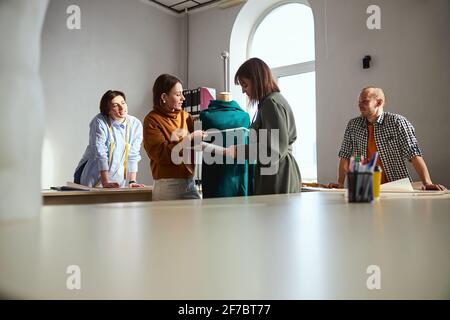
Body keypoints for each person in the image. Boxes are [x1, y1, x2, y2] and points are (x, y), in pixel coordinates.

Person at [328, 86, 446, 191]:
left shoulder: (397, 122)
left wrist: (428, 183)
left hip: (396, 188)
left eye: (365, 101)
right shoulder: (353, 125)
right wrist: (340, 183)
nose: (359, 105)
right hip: (364, 188)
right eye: (359, 102)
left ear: (379, 102)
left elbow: (414, 154)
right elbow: (345, 155)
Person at [223, 57, 301, 195]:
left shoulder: (271, 104)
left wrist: (238, 151)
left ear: (257, 81)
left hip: (278, 176)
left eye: (245, 85)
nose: (243, 91)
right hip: (275, 173)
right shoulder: (269, 102)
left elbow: (273, 151)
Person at [143, 74, 206, 201]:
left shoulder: (186, 116)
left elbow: (199, 144)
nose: (183, 98)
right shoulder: (152, 120)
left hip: (189, 183)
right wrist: (189, 139)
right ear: (164, 97)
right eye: (178, 94)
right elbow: (161, 154)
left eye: (182, 94)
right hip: (167, 186)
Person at [74, 90, 145, 188]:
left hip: (118, 178)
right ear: (107, 110)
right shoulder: (99, 122)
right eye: (115, 105)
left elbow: (133, 154)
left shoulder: (135, 124)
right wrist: (105, 181)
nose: (122, 107)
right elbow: (100, 153)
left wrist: (132, 181)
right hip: (95, 177)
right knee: (92, 202)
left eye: (123, 103)